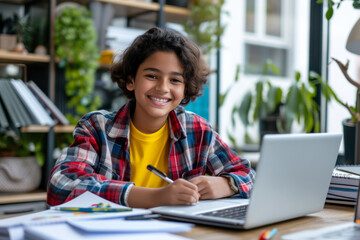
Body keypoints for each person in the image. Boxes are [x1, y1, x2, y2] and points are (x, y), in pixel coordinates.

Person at [47, 27, 255, 209]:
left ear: (185, 88)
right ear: (131, 80)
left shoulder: (198, 130)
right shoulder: (96, 127)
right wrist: (155, 197)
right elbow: (61, 185)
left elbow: (249, 175)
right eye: (152, 76)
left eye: (175, 80)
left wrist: (227, 184)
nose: (163, 88)